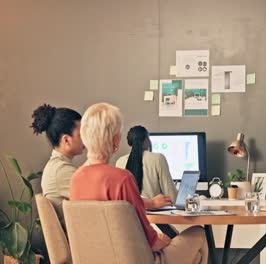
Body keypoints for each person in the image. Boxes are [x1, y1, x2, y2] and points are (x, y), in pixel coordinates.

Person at [70, 103, 207, 263]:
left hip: (97, 258)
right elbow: (151, 242)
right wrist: (161, 240)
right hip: (139, 259)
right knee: (198, 232)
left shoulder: (76, 179)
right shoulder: (122, 179)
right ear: (116, 141)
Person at [31, 104, 84, 225]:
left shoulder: (59, 167)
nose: (86, 138)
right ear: (66, 140)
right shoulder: (61, 170)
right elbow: (100, 198)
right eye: (81, 135)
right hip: (82, 241)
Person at [116, 126, 177, 202]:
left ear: (130, 143)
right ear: (146, 140)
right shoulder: (158, 158)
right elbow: (171, 195)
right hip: (153, 212)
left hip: (127, 212)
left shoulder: (120, 162)